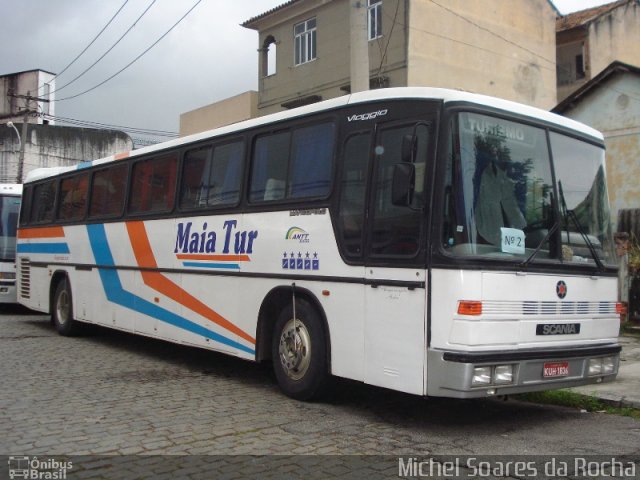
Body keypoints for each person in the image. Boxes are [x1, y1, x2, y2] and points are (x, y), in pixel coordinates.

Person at [475, 145, 526, 245]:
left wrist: (521, 227)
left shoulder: (506, 177)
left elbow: (511, 204)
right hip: (487, 239)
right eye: (495, 153)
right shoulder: (484, 174)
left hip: (510, 242)